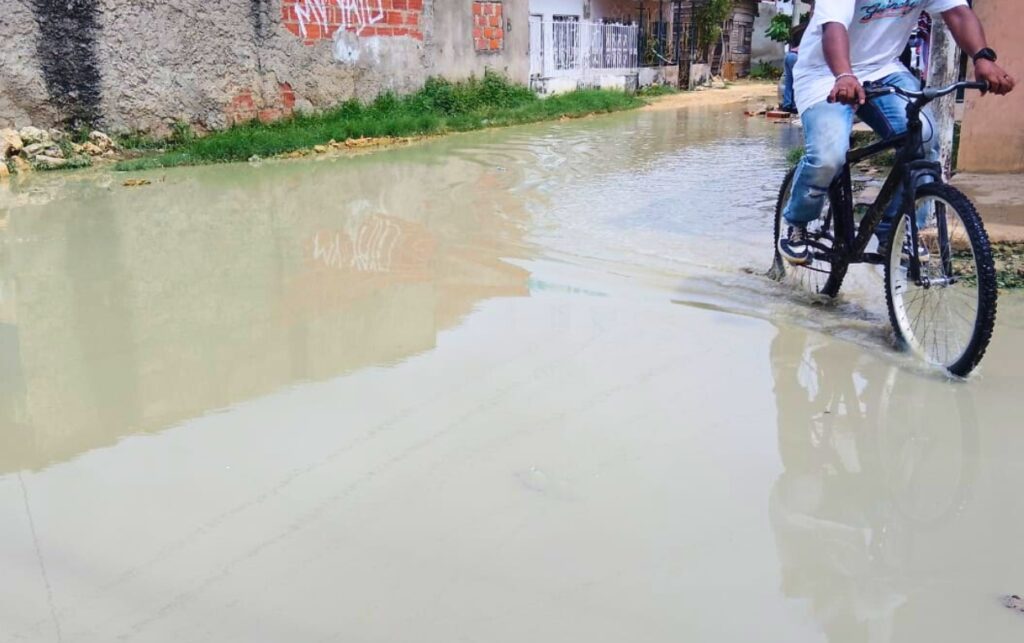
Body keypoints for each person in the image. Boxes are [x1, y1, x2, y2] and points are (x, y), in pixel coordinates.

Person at [778, 0, 1015, 266]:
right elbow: (834, 26)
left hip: (884, 69)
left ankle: (896, 229)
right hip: (824, 73)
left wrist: (982, 57)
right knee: (829, 156)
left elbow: (959, 13)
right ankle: (797, 223)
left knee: (923, 139)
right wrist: (845, 74)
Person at [781, 2, 814, 113]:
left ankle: (787, 105)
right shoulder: (809, 31)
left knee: (789, 82)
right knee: (797, 82)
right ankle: (795, 106)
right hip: (797, 57)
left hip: (789, 55)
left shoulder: (798, 31)